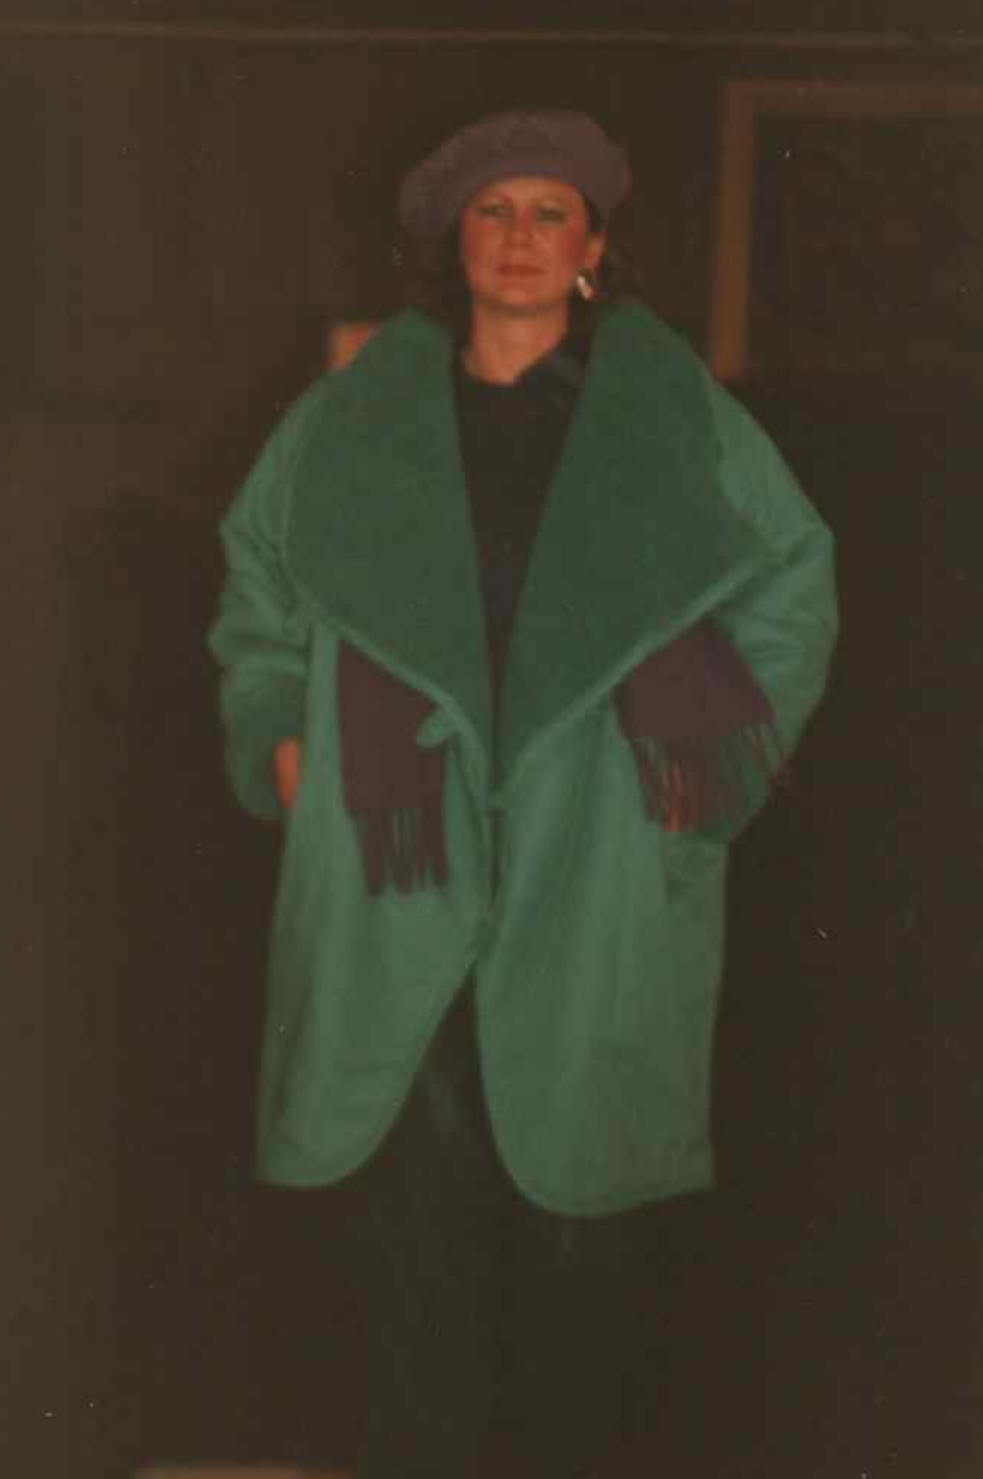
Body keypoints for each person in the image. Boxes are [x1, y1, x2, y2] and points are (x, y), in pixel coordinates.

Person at [209, 109, 838, 1479]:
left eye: (551, 212)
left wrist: (717, 760)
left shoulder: (671, 413)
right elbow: (256, 585)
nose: (519, 238)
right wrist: (277, 734)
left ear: (594, 246)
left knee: (580, 1250)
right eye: (492, 213)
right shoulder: (351, 416)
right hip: (394, 859)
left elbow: (798, 574)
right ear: (453, 243)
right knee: (405, 1233)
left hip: (598, 841)